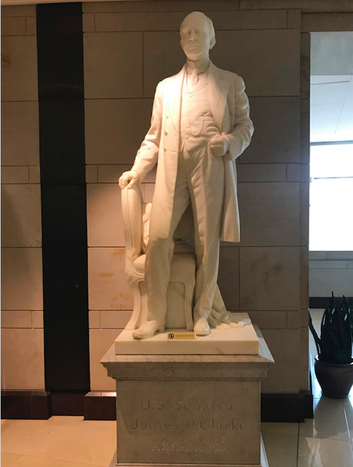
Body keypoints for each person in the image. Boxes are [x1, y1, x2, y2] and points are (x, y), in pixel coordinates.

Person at [118, 11, 254, 339]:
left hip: (210, 164)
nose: (192, 38)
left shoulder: (231, 82)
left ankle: (203, 313)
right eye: (186, 33)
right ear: (180, 41)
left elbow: (246, 127)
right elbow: (153, 136)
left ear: (212, 38)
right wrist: (137, 170)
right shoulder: (165, 88)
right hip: (173, 167)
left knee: (208, 242)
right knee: (159, 238)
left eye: (198, 33)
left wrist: (230, 142)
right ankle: (155, 317)